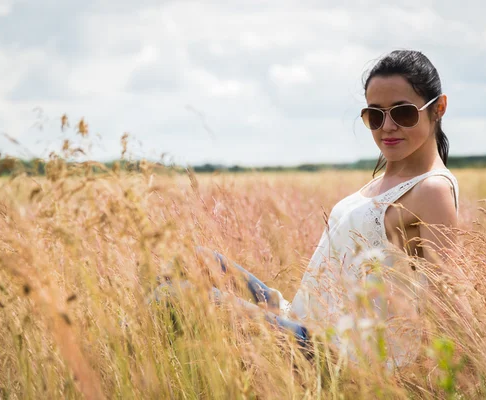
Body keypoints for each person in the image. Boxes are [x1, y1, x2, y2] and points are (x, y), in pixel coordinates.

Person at [151, 49, 461, 370]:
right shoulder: (388, 178)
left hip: (339, 355)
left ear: (438, 108)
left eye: (403, 113)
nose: (388, 126)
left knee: (170, 297)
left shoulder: (432, 189)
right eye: (375, 115)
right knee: (190, 258)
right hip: (298, 321)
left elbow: (446, 299)